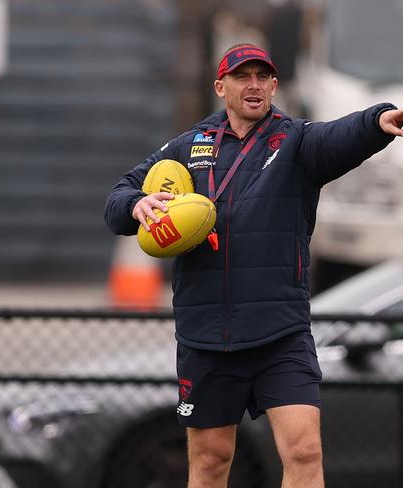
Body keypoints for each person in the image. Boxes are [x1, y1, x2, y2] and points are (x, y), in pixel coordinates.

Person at [104, 43, 403, 488]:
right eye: (243, 77)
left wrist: (378, 121)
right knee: (210, 461)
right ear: (220, 86)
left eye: (263, 77)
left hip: (279, 333)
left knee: (303, 450)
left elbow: (341, 135)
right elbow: (116, 202)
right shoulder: (188, 147)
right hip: (206, 335)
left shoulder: (297, 141)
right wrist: (137, 204)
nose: (254, 85)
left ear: (274, 85)